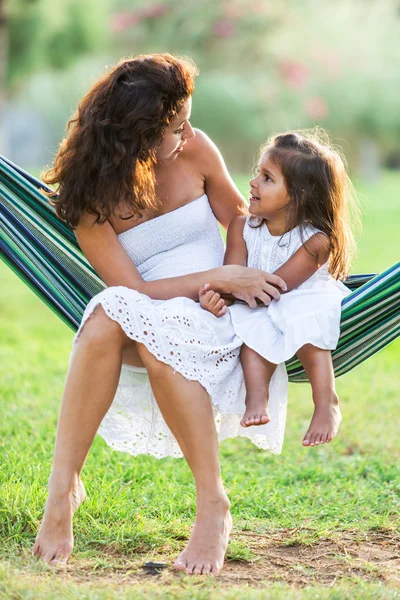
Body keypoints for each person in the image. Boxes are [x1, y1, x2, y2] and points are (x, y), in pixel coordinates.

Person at [32, 54, 288, 575]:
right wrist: (211, 281)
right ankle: (62, 490)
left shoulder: (194, 149)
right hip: (153, 304)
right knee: (113, 312)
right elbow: (136, 290)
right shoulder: (89, 193)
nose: (188, 133)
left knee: (132, 326)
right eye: (174, 127)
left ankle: (213, 505)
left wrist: (231, 277)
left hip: (219, 313)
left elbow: (241, 218)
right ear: (138, 136)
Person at [199, 129, 359, 448]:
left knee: (302, 322)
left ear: (298, 196)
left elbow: (281, 286)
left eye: (267, 178)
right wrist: (217, 296)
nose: (253, 182)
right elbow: (232, 274)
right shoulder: (242, 227)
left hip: (302, 299)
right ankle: (257, 400)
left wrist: (237, 291)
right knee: (249, 329)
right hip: (258, 301)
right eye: (258, 173)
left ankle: (326, 402)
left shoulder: (316, 241)